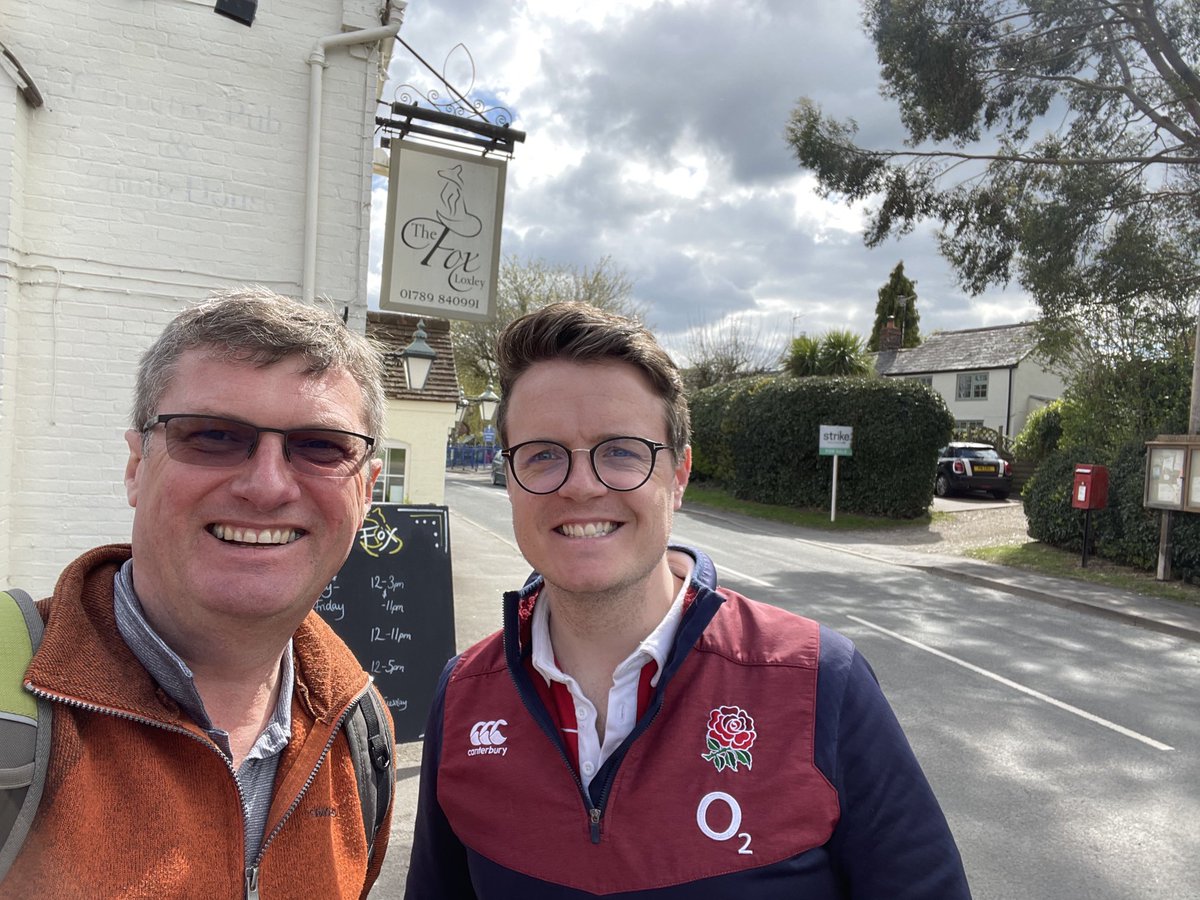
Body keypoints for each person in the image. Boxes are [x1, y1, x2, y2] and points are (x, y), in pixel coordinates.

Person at [406, 302, 972, 898]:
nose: (581, 485)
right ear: (511, 479)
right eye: (543, 454)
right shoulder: (464, 696)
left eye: (621, 450)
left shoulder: (818, 681)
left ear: (678, 475)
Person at [1, 288, 394, 898]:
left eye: (320, 446)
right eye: (211, 435)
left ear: (366, 491)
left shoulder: (361, 733)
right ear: (136, 466)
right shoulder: (14, 709)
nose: (267, 486)